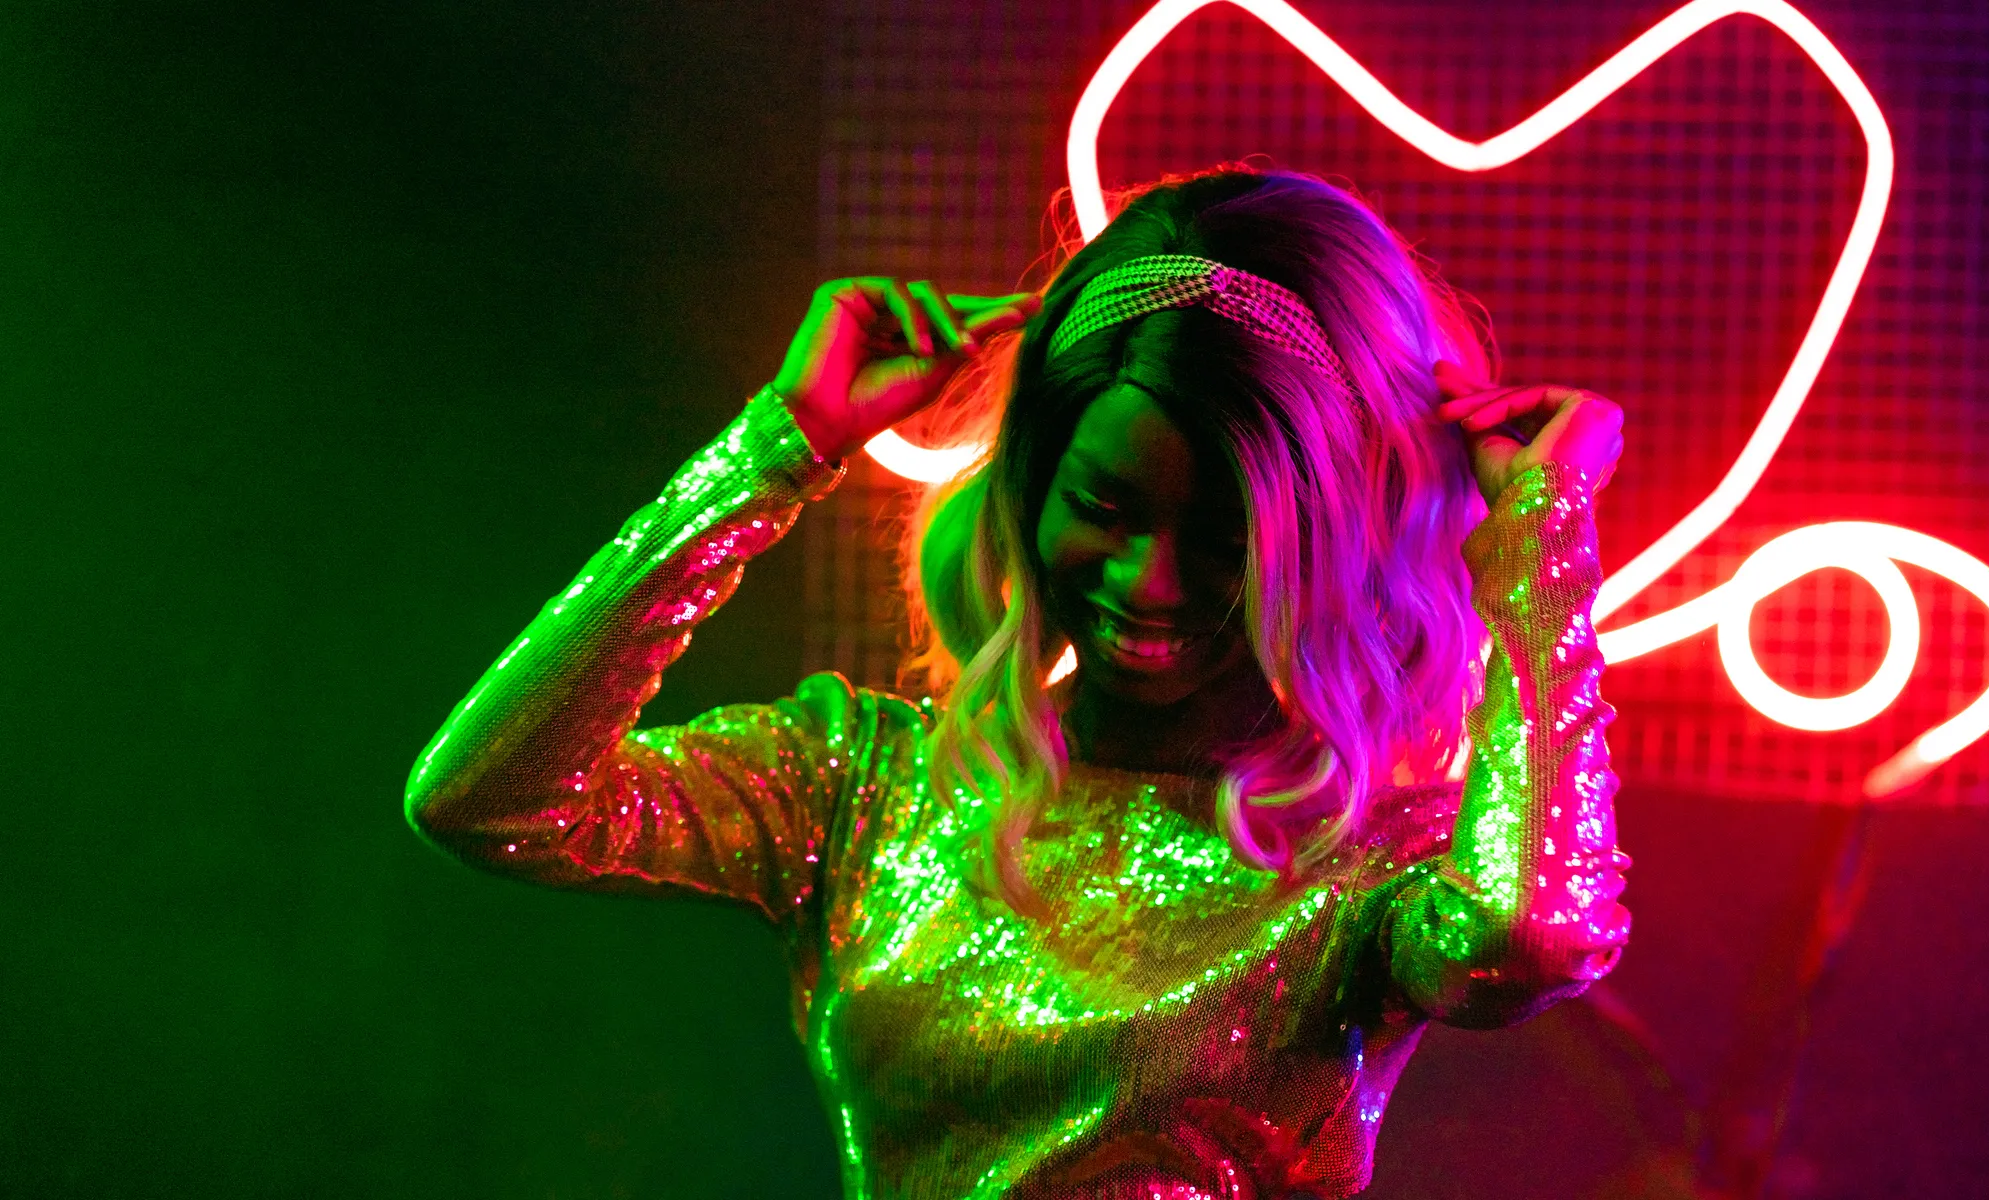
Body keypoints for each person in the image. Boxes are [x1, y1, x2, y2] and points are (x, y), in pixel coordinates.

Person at [405, 164, 1630, 1199]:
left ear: (1324, 537)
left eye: (1223, 538)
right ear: (1029, 479)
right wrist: (776, 448)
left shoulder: (1368, 857)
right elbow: (489, 798)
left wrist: (1539, 539)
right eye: (1104, 505)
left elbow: (1528, 938)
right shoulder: (866, 785)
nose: (1148, 582)